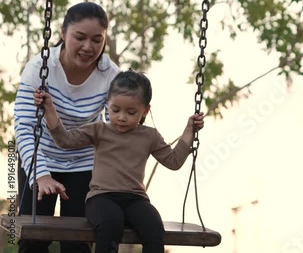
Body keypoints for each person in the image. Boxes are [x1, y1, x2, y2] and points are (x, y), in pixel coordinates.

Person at [34, 69, 205, 253]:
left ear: (145, 110)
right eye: (115, 110)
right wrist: (49, 109)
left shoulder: (150, 136)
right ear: (108, 104)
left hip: (136, 199)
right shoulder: (99, 130)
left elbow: (174, 161)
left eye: (131, 112)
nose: (122, 117)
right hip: (101, 198)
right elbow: (65, 140)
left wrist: (189, 131)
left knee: (154, 227)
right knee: (110, 223)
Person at [14, 2, 121, 253]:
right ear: (63, 33)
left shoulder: (110, 75)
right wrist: (41, 175)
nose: (88, 47)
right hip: (40, 156)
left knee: (77, 241)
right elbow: (25, 126)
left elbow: (115, 131)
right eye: (80, 37)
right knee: (33, 238)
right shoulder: (39, 68)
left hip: (84, 161)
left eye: (97, 40)